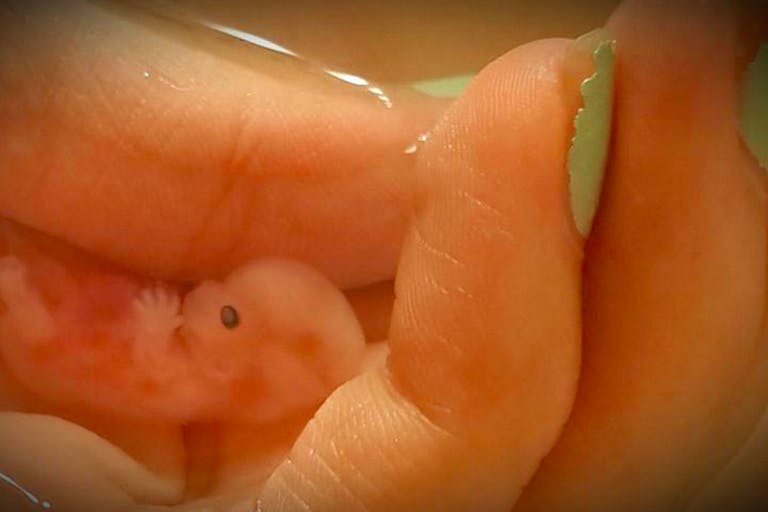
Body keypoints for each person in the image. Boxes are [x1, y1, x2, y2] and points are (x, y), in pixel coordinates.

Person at [0, 0, 766, 511]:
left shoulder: (186, 380)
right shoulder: (197, 365)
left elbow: (139, 379)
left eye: (229, 313)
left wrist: (136, 334)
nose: (204, 296)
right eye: (225, 291)